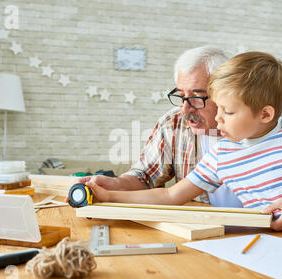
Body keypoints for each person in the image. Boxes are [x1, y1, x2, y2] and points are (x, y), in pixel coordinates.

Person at [86, 51, 282, 252]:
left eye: (227, 110)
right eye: (218, 108)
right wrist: (110, 196)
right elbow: (170, 195)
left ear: (265, 114)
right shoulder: (223, 154)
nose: (218, 118)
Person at [75, 46, 242, 207]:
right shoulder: (174, 122)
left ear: (225, 92)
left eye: (197, 96)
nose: (185, 108)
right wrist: (116, 184)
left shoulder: (257, 129)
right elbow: (148, 177)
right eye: (181, 96)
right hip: (206, 230)